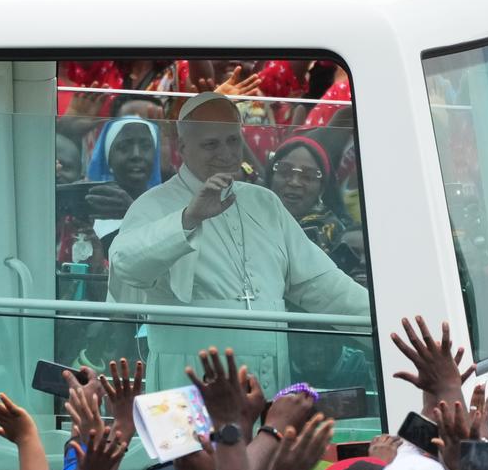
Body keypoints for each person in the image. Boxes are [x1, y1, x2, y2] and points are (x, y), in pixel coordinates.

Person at [107, 92, 369, 387]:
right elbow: (125, 266)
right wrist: (188, 219)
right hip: (190, 384)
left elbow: (323, 286)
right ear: (181, 148)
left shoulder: (264, 203)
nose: (227, 153)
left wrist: (387, 327)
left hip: (265, 383)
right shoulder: (153, 204)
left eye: (233, 140)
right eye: (211, 144)